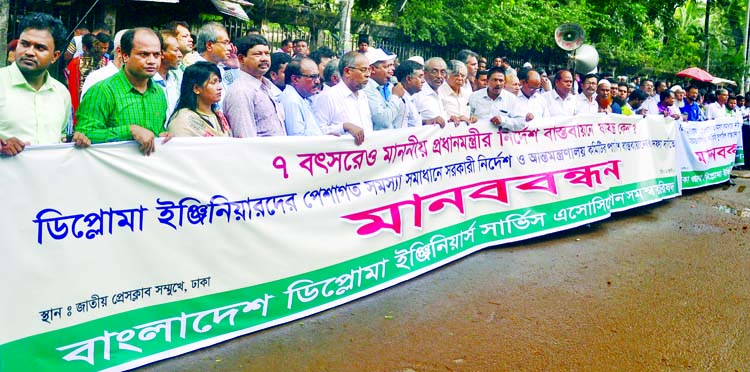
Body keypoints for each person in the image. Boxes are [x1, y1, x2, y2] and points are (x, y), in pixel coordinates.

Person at [0, 12, 89, 156]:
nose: (29, 52)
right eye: (24, 44)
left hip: (48, 176)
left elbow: (59, 137)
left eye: (40, 48)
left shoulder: (61, 93)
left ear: (55, 56)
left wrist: (75, 141)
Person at [76, 28, 169, 156]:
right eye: (144, 54)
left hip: (148, 171)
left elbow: (156, 133)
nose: (152, 61)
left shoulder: (158, 93)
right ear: (125, 55)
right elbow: (83, 135)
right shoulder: (102, 91)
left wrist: (162, 136)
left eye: (156, 55)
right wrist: (129, 131)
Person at [223, 34, 286, 138]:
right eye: (258, 54)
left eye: (267, 54)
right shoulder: (240, 92)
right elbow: (245, 137)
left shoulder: (266, 87)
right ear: (241, 59)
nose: (264, 58)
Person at [311, 51, 370, 145]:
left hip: (365, 155)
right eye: (363, 70)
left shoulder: (363, 96)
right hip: (340, 156)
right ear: (347, 72)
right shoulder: (328, 96)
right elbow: (317, 132)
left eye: (369, 70)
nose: (368, 74)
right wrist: (344, 127)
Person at [167, 61, 230, 137]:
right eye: (213, 82)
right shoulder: (182, 120)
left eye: (219, 82)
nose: (220, 87)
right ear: (196, 88)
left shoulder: (219, 115)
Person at [66, 32, 110, 120]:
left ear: (84, 47)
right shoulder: (106, 62)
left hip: (79, 104)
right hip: (99, 104)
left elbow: (68, 81)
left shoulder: (76, 62)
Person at [468, 67, 524, 131]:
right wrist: (471, 118)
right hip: (479, 136)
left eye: (501, 80)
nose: (498, 83)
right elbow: (466, 116)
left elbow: (521, 123)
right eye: (494, 80)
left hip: (501, 139)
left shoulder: (511, 99)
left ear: (504, 83)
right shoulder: (475, 96)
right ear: (487, 81)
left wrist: (504, 121)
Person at [362, 48, 405, 131]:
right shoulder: (366, 88)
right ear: (372, 69)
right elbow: (383, 120)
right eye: (386, 66)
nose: (392, 69)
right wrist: (395, 96)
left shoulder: (387, 86)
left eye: (392, 65)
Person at [279, 57, 323, 136]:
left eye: (318, 76)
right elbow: (297, 138)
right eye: (312, 77)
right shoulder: (292, 101)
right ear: (295, 79)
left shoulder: (301, 97)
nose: (317, 81)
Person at [81, 29, 128, 98]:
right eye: (142, 54)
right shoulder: (96, 79)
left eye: (105, 48)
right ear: (120, 52)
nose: (149, 60)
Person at [154, 30, 184, 123]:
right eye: (175, 50)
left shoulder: (175, 79)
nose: (180, 55)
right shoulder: (148, 81)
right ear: (162, 53)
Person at [412, 57, 450, 127]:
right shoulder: (417, 93)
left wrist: (450, 120)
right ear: (425, 73)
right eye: (434, 72)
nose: (439, 76)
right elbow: (409, 122)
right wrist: (427, 122)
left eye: (442, 72)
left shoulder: (441, 91)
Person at [439, 60, 474, 125]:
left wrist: (472, 118)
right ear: (447, 76)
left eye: (463, 76)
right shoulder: (439, 92)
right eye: (456, 75)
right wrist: (451, 118)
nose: (460, 78)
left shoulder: (466, 94)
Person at [393, 60, 424, 128]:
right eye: (420, 77)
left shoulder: (409, 98)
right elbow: (400, 130)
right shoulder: (402, 100)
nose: (423, 81)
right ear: (409, 79)